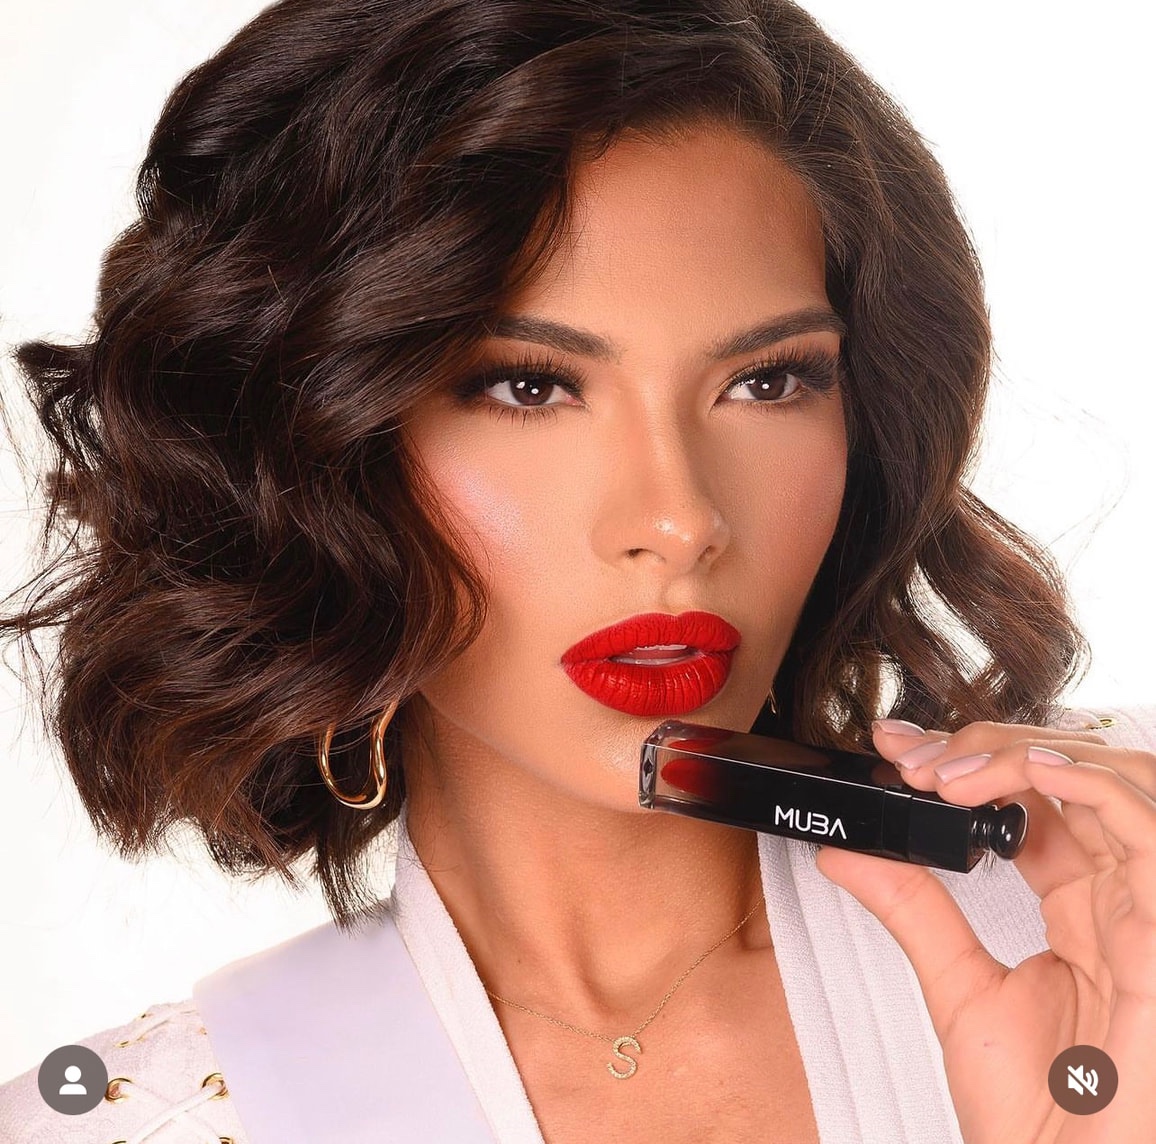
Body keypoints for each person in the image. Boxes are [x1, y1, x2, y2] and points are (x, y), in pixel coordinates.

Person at [1, 0, 1154, 1141]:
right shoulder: (128, 1123)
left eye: (765, 382)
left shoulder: (1117, 903)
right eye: (528, 386)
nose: (680, 518)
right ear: (320, 452)